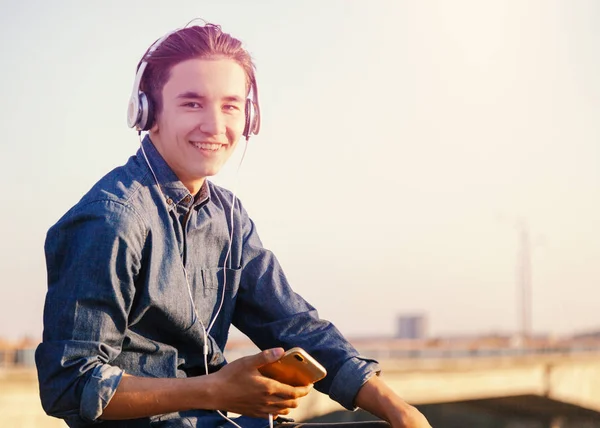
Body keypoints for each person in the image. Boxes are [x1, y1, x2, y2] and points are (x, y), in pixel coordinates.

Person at [35, 21, 432, 428]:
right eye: (192, 103)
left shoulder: (229, 216)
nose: (215, 126)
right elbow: (68, 383)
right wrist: (216, 390)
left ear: (249, 116)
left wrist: (397, 408)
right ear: (147, 111)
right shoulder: (111, 218)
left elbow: (292, 323)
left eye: (230, 105)